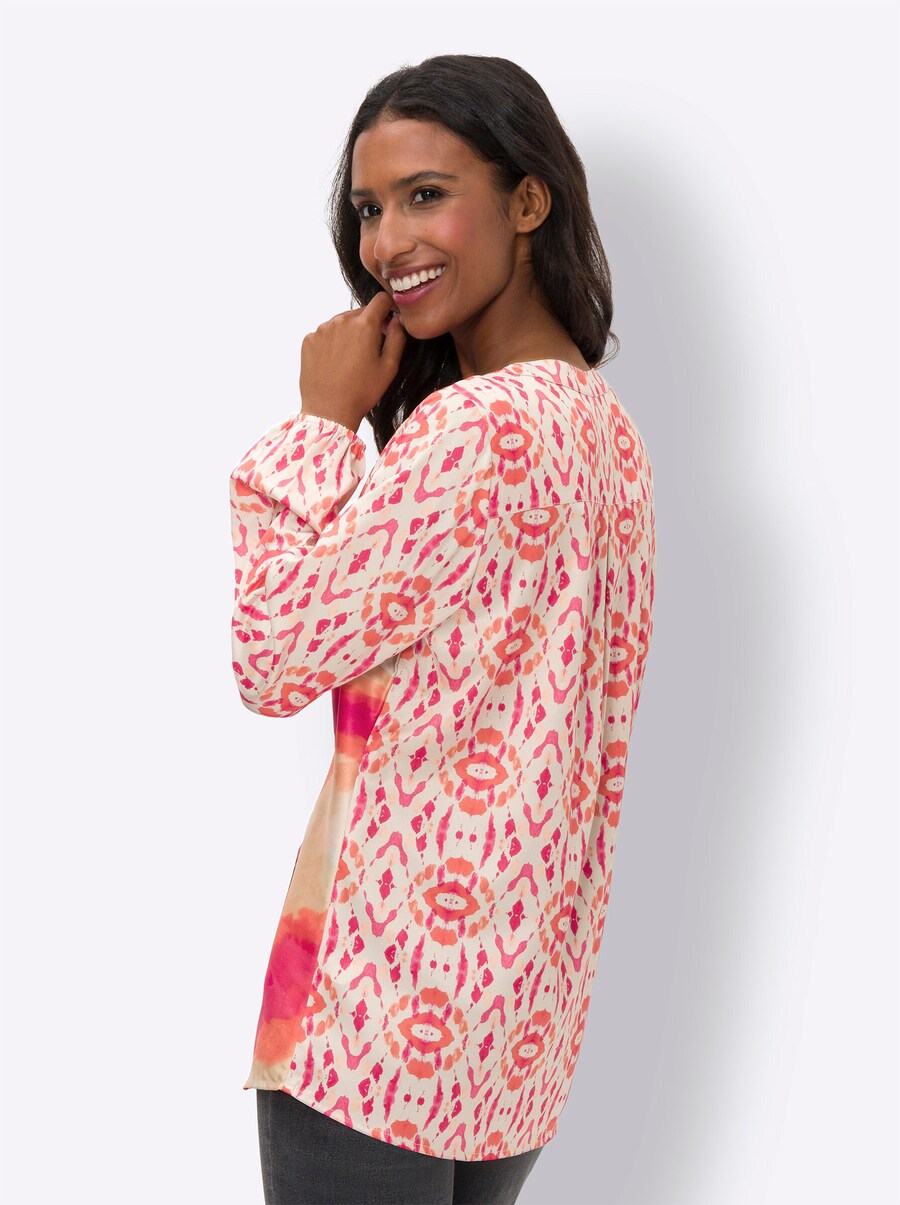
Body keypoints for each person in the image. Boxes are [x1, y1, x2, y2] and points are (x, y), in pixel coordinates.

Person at [229, 53, 656, 1205]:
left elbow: (270, 656)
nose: (386, 241)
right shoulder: (605, 430)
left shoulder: (472, 429)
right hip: (514, 1021)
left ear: (529, 201)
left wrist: (322, 425)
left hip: (377, 1007)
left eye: (427, 194)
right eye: (371, 208)